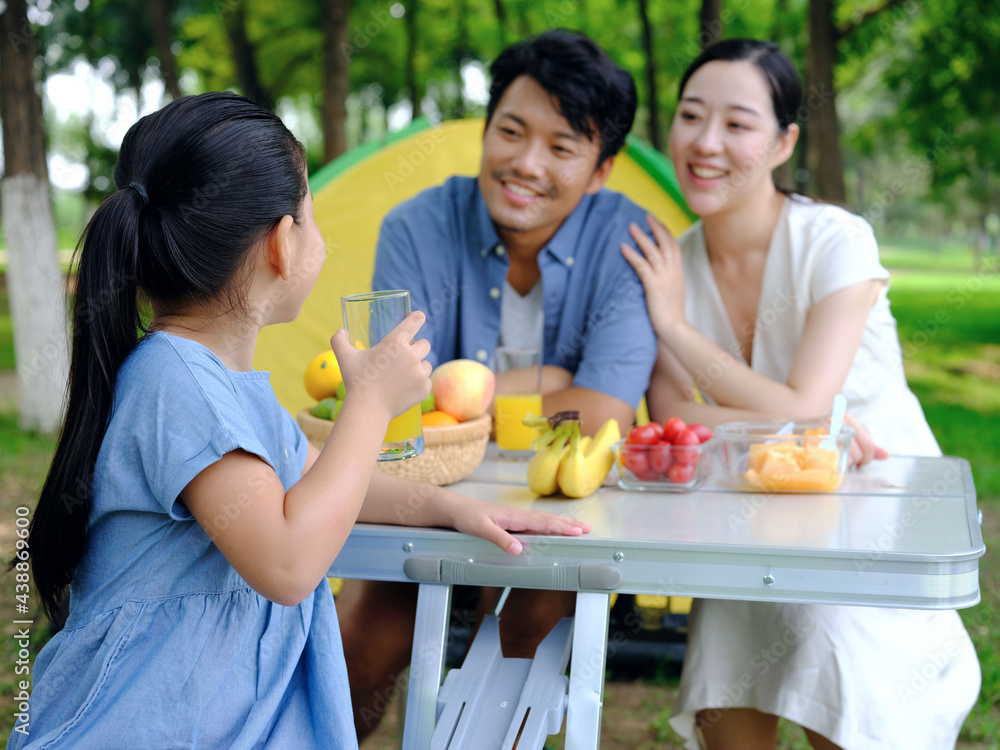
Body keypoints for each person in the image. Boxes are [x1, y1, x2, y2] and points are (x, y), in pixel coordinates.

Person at [11, 92, 591, 749]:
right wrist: (369, 404)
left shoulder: (227, 388)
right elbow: (287, 563)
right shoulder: (175, 382)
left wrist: (449, 508)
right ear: (283, 244)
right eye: (312, 212)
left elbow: (326, 482)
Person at [622, 39, 981, 750]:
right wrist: (786, 414)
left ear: (785, 140)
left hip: (873, 496)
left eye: (738, 123)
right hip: (751, 501)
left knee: (839, 680)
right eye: (692, 116)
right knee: (728, 694)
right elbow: (671, 416)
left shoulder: (836, 241)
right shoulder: (673, 262)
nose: (707, 142)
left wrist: (674, 327)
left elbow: (806, 401)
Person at [339, 28, 659, 737]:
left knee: (529, 621)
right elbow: (401, 400)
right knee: (371, 628)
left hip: (553, 502)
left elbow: (605, 410)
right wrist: (554, 380)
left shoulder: (631, 241)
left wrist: (472, 390)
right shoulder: (417, 226)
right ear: (485, 131)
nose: (525, 162)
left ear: (602, 168)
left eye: (562, 147)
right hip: (430, 489)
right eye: (510, 131)